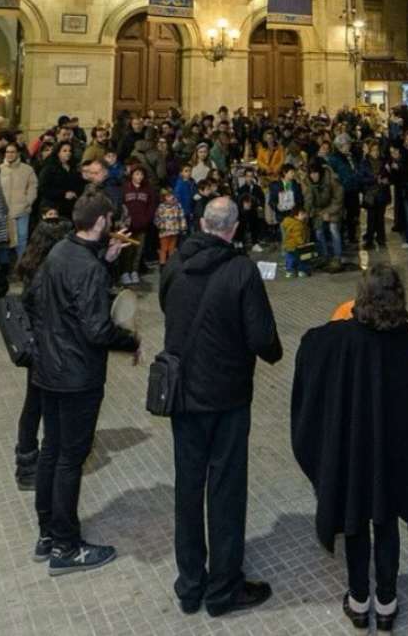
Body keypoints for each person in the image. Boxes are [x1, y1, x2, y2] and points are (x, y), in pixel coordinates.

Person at [291, 264, 408, 630]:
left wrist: (340, 316)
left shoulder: (340, 337)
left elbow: (309, 345)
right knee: (386, 520)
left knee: (355, 520)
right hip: (391, 448)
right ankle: (387, 601)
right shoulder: (404, 335)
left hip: (353, 446)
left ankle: (359, 600)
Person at [159, 197, 283, 617]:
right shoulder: (241, 271)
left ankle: (190, 582)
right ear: (231, 229)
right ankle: (224, 586)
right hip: (227, 396)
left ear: (202, 223)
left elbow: (167, 307)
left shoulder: (174, 264)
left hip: (182, 394)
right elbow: (263, 338)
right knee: (225, 488)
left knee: (188, 487)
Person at [25, 188, 138, 575]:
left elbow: (34, 300)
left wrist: (104, 262)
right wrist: (130, 340)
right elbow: (97, 329)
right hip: (77, 377)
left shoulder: (59, 252)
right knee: (71, 458)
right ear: (103, 222)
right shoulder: (87, 268)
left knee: (51, 451)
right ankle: (67, 548)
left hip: (48, 371)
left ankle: (48, 533)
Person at [12, 217, 74, 491]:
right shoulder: (48, 273)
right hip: (47, 349)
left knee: (33, 403)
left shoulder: (32, 265)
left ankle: (27, 458)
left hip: (39, 347)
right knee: (39, 404)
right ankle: (29, 465)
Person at [0, 142, 37, 264]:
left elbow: (32, 187)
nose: (9, 154)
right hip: (3, 212)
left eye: (12, 152)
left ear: (18, 153)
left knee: (22, 239)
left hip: (22, 210)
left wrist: (27, 202)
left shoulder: (27, 169)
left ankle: (21, 266)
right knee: (3, 240)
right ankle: (4, 268)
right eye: (7, 152)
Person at [304, 158, 344, 271]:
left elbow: (338, 199)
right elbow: (308, 200)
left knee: (333, 229)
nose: (313, 176)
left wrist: (328, 212)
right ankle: (324, 255)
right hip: (319, 211)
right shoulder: (308, 182)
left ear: (320, 172)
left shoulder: (332, 179)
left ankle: (337, 257)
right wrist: (305, 215)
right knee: (318, 231)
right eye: (311, 173)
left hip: (334, 209)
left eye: (315, 173)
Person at [38, 142, 84, 219]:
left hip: (71, 206)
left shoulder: (74, 167)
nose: (68, 153)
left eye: (70, 151)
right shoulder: (49, 168)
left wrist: (76, 193)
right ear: (58, 153)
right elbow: (43, 188)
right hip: (54, 207)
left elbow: (80, 184)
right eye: (64, 151)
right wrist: (63, 194)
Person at [154, 187, 187, 265]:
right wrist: (161, 226)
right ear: (164, 197)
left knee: (172, 249)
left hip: (175, 230)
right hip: (164, 232)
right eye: (168, 196)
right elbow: (156, 218)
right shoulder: (161, 207)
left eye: (171, 195)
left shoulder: (177, 205)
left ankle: (171, 265)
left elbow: (181, 216)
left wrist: (183, 227)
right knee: (163, 249)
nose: (171, 197)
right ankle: (162, 264)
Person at [280, 206, 311, 278]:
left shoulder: (289, 222)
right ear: (296, 216)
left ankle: (290, 272)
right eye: (302, 214)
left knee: (290, 259)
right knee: (302, 259)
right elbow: (297, 235)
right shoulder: (298, 224)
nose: (304, 216)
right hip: (297, 246)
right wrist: (302, 243)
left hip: (289, 245)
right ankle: (302, 271)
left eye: (304, 214)